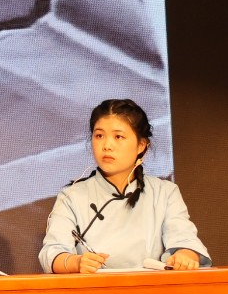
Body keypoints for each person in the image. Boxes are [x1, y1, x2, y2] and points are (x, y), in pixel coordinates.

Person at [39, 98, 210, 274]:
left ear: (141, 145)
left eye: (118, 137)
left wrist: (184, 256)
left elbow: (185, 241)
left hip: (152, 288)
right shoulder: (72, 195)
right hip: (94, 290)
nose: (107, 145)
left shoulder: (165, 192)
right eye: (99, 136)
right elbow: (51, 253)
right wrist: (76, 262)